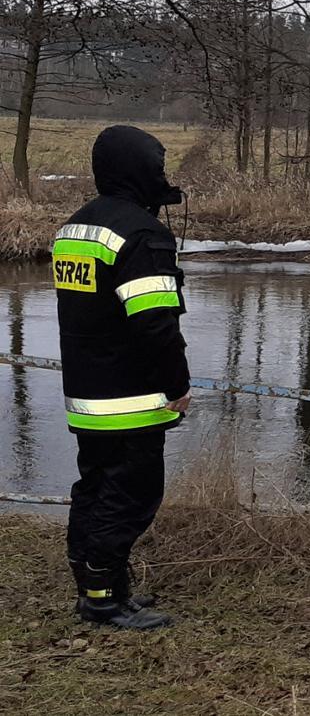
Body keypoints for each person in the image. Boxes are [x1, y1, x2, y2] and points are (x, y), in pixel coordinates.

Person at [53, 125, 192, 630]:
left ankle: (97, 588)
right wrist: (178, 385)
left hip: (86, 393)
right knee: (130, 497)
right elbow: (155, 322)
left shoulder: (76, 227)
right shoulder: (142, 234)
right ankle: (104, 598)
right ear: (140, 169)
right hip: (131, 394)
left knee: (94, 488)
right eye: (157, 166)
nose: (162, 176)